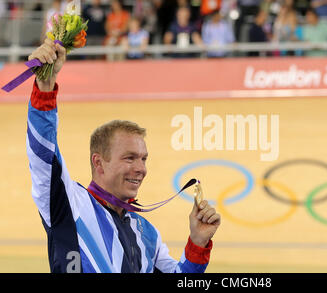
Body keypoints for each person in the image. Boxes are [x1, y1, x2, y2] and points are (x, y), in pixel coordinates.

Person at [26, 38, 221, 273]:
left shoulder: (148, 234)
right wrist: (44, 88)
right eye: (130, 158)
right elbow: (44, 156)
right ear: (99, 162)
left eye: (143, 159)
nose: (141, 168)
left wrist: (198, 243)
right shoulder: (69, 204)